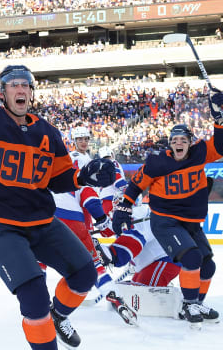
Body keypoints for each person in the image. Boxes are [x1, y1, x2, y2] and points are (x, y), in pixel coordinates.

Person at [0, 66, 115, 349]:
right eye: (13, 84)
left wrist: (82, 176)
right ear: (1, 92)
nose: (21, 90)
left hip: (41, 221)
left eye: (26, 85)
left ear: (31, 92)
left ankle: (59, 316)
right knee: (34, 297)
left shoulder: (47, 131)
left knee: (86, 273)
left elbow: (59, 177)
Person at [112, 89, 223, 329]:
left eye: (183, 140)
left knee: (208, 266)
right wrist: (122, 209)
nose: (179, 143)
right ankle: (189, 304)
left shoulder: (199, 153)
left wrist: (221, 117)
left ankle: (196, 302)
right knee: (191, 257)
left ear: (190, 143)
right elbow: (136, 184)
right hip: (165, 220)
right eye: (175, 140)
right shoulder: (158, 162)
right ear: (170, 144)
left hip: (190, 222)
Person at [52, 139, 137, 326]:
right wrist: (101, 219)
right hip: (72, 216)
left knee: (40, 261)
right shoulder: (84, 162)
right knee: (92, 263)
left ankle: (36, 308)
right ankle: (111, 293)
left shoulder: (57, 160)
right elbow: (87, 194)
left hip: (43, 213)